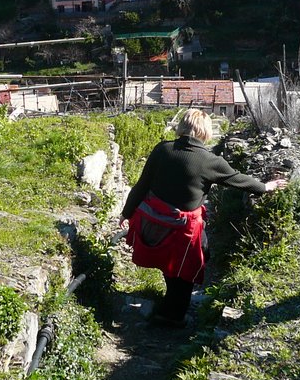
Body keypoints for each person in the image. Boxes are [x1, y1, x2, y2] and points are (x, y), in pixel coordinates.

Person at [121, 109, 287, 327]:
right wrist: (265, 187)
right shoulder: (210, 161)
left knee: (171, 264)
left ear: (183, 126)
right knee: (190, 268)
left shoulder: (162, 150)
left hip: (154, 224)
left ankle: (169, 305)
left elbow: (142, 185)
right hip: (184, 230)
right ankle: (173, 318)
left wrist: (126, 212)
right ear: (205, 131)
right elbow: (236, 179)